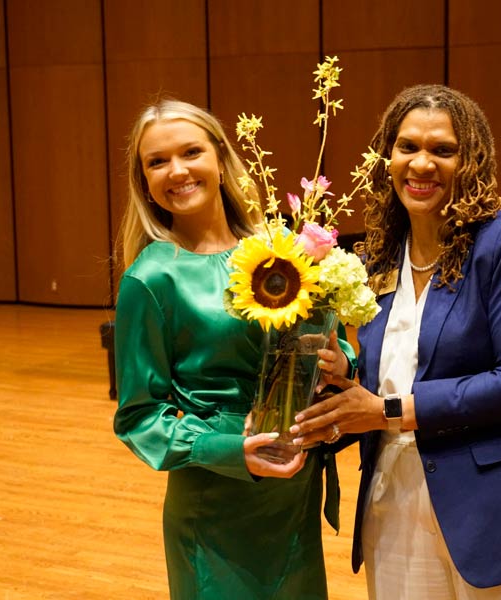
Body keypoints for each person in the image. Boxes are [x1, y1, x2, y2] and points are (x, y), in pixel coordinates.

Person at [291, 85, 501, 599]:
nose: (421, 164)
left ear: (472, 159)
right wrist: (331, 403)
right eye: (407, 147)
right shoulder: (376, 261)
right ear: (386, 157)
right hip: (394, 501)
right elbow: (381, 385)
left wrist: (387, 409)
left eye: (443, 150)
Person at [112, 98, 353, 599]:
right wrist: (227, 450)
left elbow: (334, 343)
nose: (176, 171)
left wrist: (339, 360)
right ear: (145, 182)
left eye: (190, 152)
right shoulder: (152, 277)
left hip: (293, 489)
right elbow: (138, 417)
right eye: (157, 162)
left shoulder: (278, 247)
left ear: (220, 160)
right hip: (216, 498)